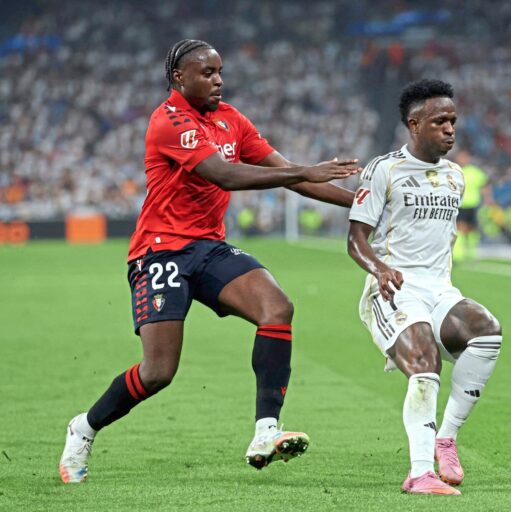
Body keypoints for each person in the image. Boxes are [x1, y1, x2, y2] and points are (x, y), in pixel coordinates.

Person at [58, 39, 360, 483]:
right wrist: (302, 170)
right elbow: (225, 174)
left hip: (208, 247)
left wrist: (361, 206)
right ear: (180, 77)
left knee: (277, 307)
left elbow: (290, 175)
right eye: (207, 73)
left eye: (220, 72)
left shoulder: (231, 119)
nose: (218, 80)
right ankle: (83, 427)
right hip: (159, 251)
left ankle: (265, 431)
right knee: (158, 373)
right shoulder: (168, 121)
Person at [347, 79, 503, 496]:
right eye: (440, 121)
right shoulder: (385, 169)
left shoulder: (455, 176)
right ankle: (419, 473)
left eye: (453, 120)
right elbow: (355, 240)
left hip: (440, 288)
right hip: (393, 286)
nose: (450, 128)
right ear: (414, 125)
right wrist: (379, 269)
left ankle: (446, 438)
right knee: (424, 360)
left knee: (487, 332)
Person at [452, 150, 491, 262]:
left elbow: (484, 186)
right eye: (460, 157)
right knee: (460, 227)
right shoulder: (453, 171)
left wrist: (488, 199)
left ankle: (471, 251)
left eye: (464, 157)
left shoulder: (475, 172)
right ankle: (458, 252)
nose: (462, 160)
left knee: (472, 229)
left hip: (473, 204)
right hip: (459, 204)